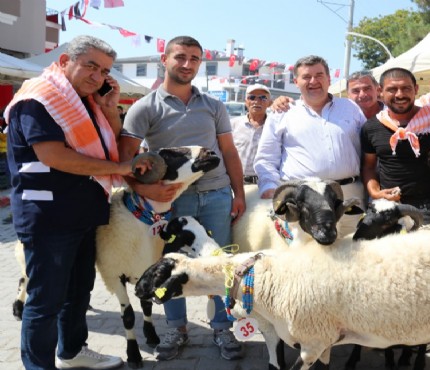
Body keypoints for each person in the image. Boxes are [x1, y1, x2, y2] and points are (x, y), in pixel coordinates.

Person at [3, 35, 133, 370]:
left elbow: (112, 144)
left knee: (78, 293)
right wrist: (119, 169)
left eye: (104, 70)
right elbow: (54, 155)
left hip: (83, 213)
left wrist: (109, 108)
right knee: (46, 301)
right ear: (64, 62)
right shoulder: (40, 98)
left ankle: (72, 352)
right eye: (90, 65)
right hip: (48, 217)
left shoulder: (86, 104)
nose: (98, 76)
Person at [119, 35, 246, 361]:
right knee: (170, 266)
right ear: (165, 58)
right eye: (180, 57)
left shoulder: (213, 105)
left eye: (194, 58)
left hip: (217, 196)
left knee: (222, 265)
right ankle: (176, 328)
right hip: (172, 202)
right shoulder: (143, 108)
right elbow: (126, 161)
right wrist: (147, 190)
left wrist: (238, 193)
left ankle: (223, 328)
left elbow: (229, 151)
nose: (187, 64)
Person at [254, 55, 366, 236]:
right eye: (306, 77)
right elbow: (266, 158)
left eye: (319, 75)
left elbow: (367, 149)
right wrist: (270, 188)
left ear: (329, 79)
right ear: (296, 81)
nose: (313, 81)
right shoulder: (281, 112)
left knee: (353, 253)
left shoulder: (351, 108)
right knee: (305, 258)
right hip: (304, 202)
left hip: (349, 198)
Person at [361, 67, 430, 218]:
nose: (400, 94)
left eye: (406, 88)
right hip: (388, 208)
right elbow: (368, 166)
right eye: (392, 89)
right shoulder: (371, 127)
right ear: (380, 91)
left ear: (416, 89)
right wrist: (376, 193)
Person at [270, 69, 383, 120]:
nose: (362, 94)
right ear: (348, 95)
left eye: (367, 89)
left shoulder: (394, 115)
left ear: (377, 90)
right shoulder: (339, 114)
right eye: (356, 91)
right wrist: (279, 101)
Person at [230, 83, 272, 185]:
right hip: (235, 183)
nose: (256, 101)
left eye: (262, 98)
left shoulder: (275, 127)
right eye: (252, 97)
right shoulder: (233, 124)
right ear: (246, 102)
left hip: (264, 184)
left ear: (270, 103)